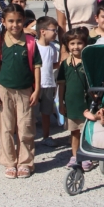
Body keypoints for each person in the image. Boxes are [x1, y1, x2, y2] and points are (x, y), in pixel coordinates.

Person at [0, 4, 42, 179]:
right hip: (4, 90)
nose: (15, 25)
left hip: (25, 90)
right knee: (6, 127)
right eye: (10, 21)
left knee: (25, 126)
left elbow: (36, 67)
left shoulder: (30, 42)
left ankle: (25, 162)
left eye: (19, 21)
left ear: (24, 21)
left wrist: (37, 89)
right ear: (3, 22)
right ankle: (9, 162)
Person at [56, 27, 92, 171]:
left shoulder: (89, 62)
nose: (75, 46)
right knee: (74, 131)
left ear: (85, 44)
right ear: (67, 45)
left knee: (86, 131)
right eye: (72, 43)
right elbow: (61, 84)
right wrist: (61, 103)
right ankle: (75, 155)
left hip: (86, 104)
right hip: (71, 103)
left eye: (79, 43)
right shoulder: (65, 64)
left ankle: (87, 156)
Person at [36, 16, 60, 148]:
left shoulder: (53, 48)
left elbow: (53, 64)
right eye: (53, 30)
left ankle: (46, 136)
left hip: (49, 83)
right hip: (35, 84)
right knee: (29, 112)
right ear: (43, 31)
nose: (55, 33)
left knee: (46, 112)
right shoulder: (34, 46)